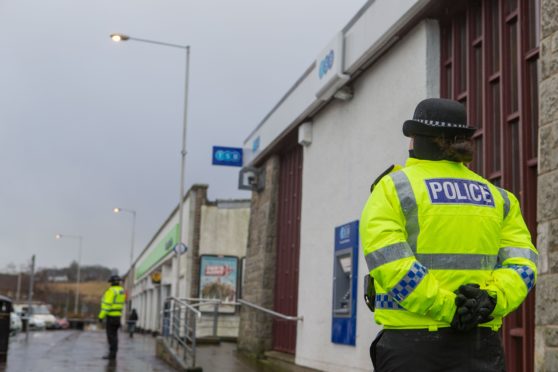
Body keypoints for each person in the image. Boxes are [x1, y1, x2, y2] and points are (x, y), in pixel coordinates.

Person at [360, 98, 538, 372]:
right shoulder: (499, 198)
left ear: (416, 140)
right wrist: (490, 301)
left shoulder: (392, 189)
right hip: (480, 344)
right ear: (463, 143)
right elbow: (523, 267)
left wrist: (449, 307)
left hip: (411, 344)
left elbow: (391, 264)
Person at [98, 275, 126, 360]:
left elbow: (107, 306)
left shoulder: (111, 291)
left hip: (111, 317)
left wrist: (101, 316)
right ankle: (113, 354)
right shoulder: (122, 291)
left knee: (111, 336)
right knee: (115, 336)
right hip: (118, 316)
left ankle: (112, 355)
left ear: (111, 283)